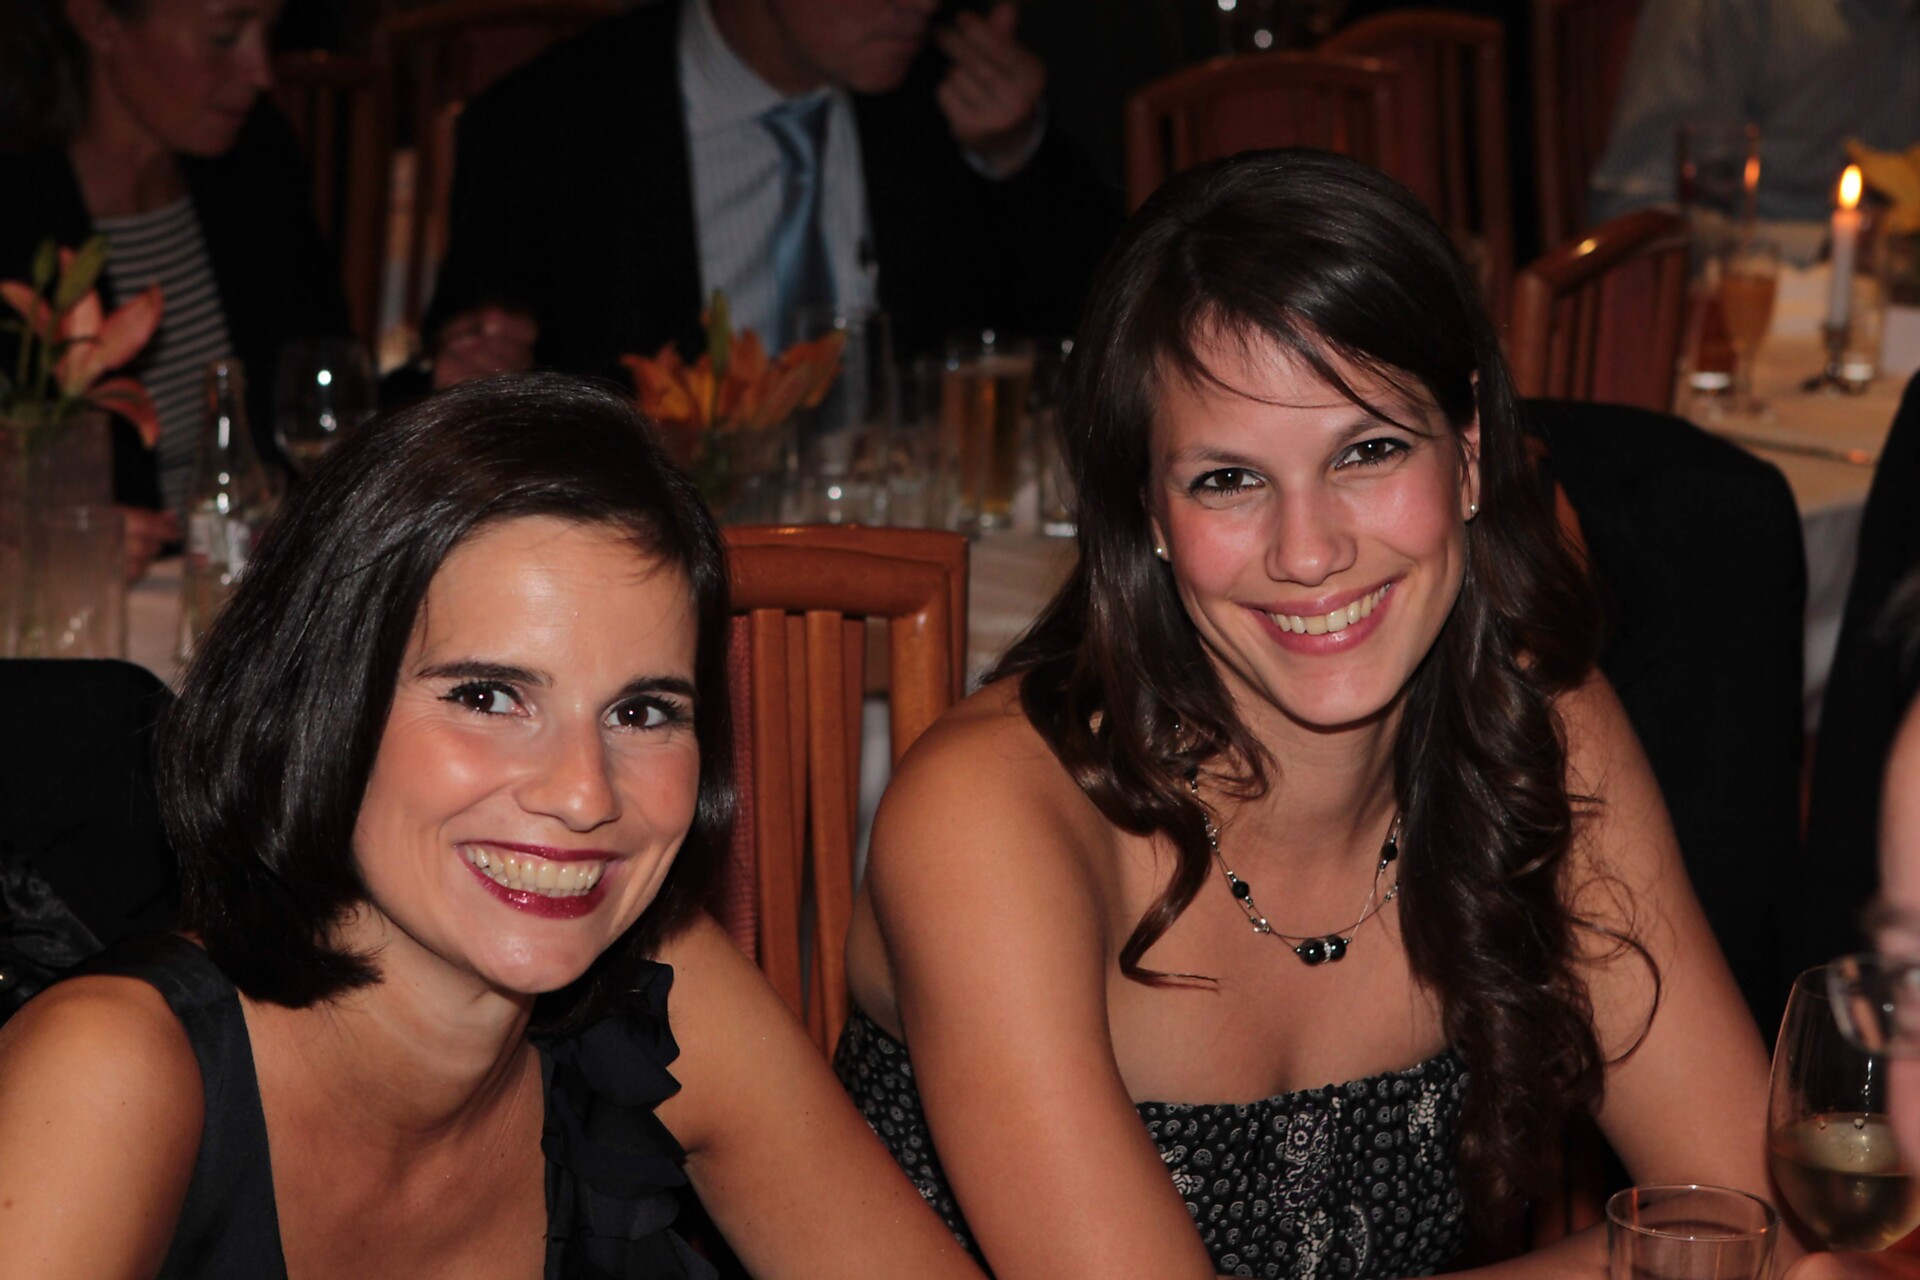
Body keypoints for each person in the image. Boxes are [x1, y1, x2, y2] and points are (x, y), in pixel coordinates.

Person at [834, 149, 1785, 1277]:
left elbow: (1748, 1218)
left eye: (1368, 451)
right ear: (1147, 512)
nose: (1309, 550)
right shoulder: (993, 820)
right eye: (1228, 479)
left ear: (1469, 454)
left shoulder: (1536, 726)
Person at [0, 374, 986, 1279]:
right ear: (319, 710)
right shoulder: (111, 1075)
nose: (584, 794)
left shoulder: (665, 993)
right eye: (487, 695)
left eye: (641, 711)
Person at [421, 0, 1121, 389]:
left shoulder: (951, 94)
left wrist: (1017, 156)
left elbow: (1108, 330)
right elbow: (457, 369)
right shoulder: (547, 122)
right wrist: (481, 371)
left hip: (908, 526)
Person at [0, 0, 350, 567]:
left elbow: (323, 380)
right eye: (224, 36)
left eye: (269, 31)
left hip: (250, 578)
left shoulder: (256, 158)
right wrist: (48, 532)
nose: (261, 72)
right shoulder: (18, 208)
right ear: (99, 20)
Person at [1588, 0, 1920, 224]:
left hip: (1881, 288)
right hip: (1743, 280)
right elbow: (1640, 204)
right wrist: (1820, 249)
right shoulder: (1725, 11)